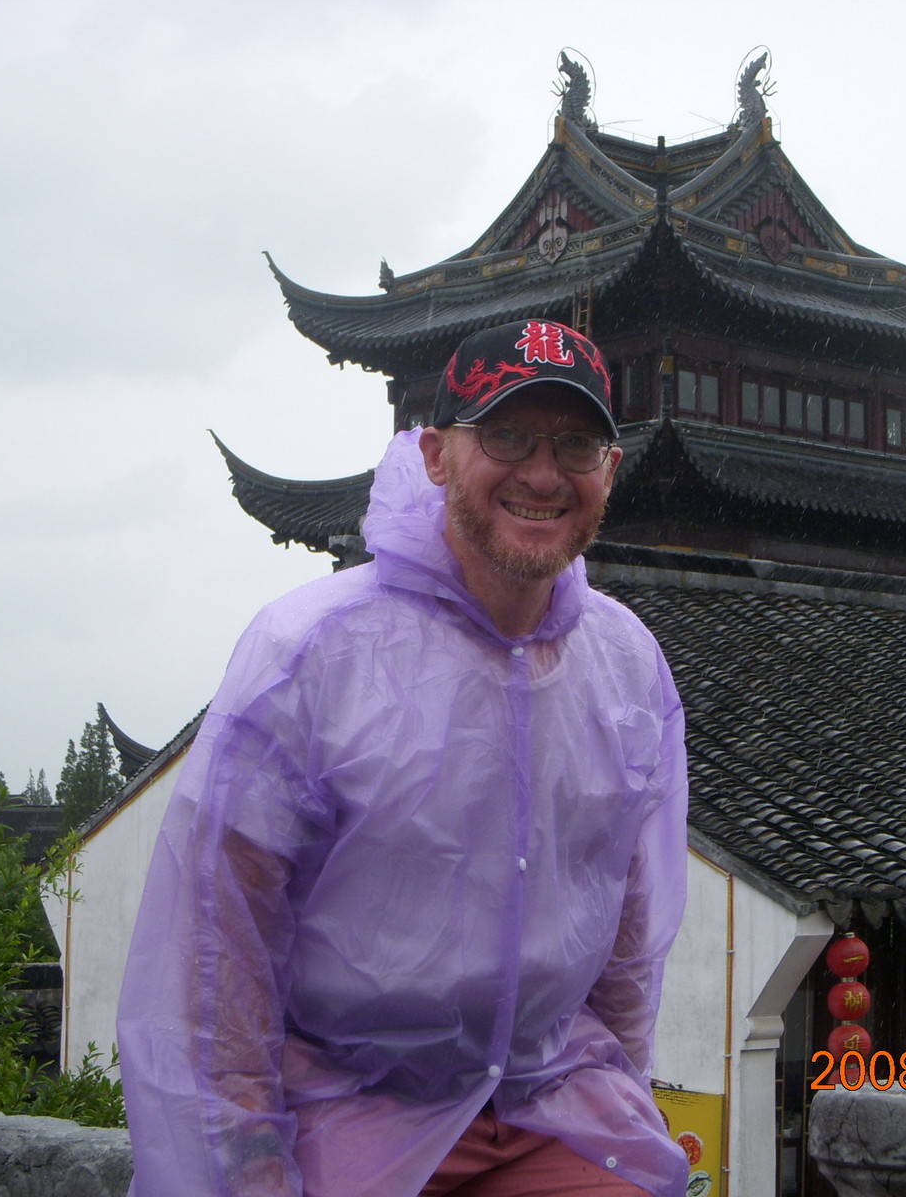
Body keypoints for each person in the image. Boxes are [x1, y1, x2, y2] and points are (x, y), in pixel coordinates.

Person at [116, 318, 690, 1197]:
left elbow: (628, 931)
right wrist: (248, 1156)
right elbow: (221, 937)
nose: (543, 474)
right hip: (347, 1101)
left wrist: (625, 1087)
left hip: (549, 1099)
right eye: (506, 435)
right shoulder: (313, 650)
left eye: (575, 446)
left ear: (610, 470)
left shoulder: (624, 662)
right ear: (434, 455)